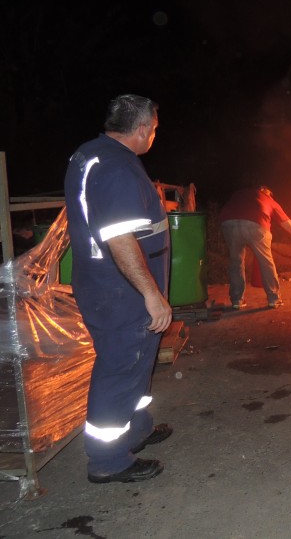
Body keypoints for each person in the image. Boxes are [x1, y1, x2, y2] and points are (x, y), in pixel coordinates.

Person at [63, 94, 174, 484]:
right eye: (154, 129)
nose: (154, 135)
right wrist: (151, 293)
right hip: (121, 289)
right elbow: (119, 238)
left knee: (137, 362)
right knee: (120, 366)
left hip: (108, 284)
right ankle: (108, 459)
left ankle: (137, 429)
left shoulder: (92, 153)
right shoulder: (116, 166)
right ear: (142, 129)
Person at [219, 186, 291, 309]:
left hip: (228, 223)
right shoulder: (269, 200)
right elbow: (290, 225)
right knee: (266, 261)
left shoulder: (240, 193)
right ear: (267, 193)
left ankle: (237, 301)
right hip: (255, 224)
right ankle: (274, 299)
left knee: (236, 261)